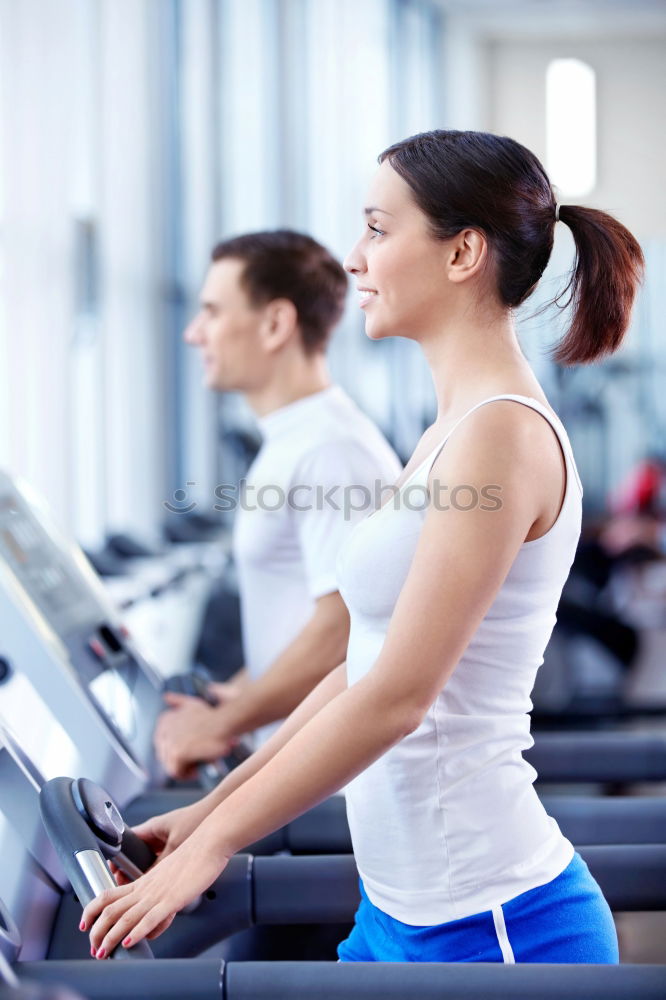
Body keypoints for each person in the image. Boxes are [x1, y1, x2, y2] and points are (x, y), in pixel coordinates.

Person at [82, 130, 643, 964]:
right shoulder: (450, 431)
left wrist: (214, 845)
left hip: (493, 924)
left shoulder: (501, 435)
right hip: (399, 911)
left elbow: (398, 698)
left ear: (462, 253)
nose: (355, 258)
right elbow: (363, 663)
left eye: (379, 229)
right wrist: (210, 812)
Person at [153, 230, 401, 778]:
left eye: (213, 313)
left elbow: (343, 633)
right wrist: (233, 697)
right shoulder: (296, 441)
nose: (195, 334)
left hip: (335, 794)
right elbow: (295, 622)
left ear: (275, 324)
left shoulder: (331, 451)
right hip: (299, 768)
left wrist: (223, 722)